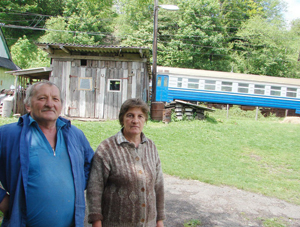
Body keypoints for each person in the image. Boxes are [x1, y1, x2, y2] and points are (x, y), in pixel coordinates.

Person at [0, 80, 94, 227]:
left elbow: (92, 165)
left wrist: (75, 185)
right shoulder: (8, 134)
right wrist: (2, 200)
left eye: (55, 99)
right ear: (28, 105)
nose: (50, 104)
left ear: (60, 105)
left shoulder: (75, 134)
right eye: (42, 98)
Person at [87, 98, 165, 227]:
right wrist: (96, 222)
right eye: (130, 115)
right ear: (122, 119)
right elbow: (94, 188)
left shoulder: (151, 146)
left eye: (140, 116)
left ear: (145, 119)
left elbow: (159, 186)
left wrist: (160, 220)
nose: (135, 120)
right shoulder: (107, 148)